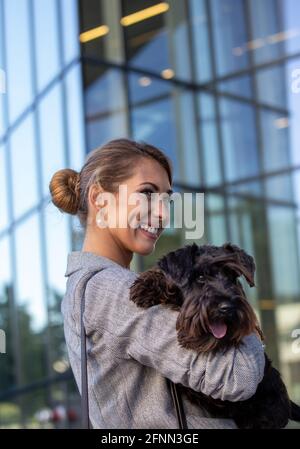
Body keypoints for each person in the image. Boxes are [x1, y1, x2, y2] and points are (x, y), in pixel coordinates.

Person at [49, 138, 265, 429]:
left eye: (166, 200)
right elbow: (237, 377)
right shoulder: (111, 289)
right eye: (147, 193)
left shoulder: (95, 287)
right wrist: (242, 318)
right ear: (100, 199)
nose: (163, 214)